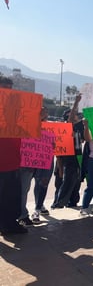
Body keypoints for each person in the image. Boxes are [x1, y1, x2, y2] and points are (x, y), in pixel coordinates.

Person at [0, 75, 27, 235]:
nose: (7, 93)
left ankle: (9, 225)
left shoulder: (18, 115)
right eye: (4, 89)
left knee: (12, 198)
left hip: (14, 164)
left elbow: (29, 135)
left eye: (10, 90)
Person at [51, 94, 84, 209]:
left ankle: (73, 202)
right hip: (67, 160)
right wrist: (76, 102)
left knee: (76, 183)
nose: (75, 116)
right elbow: (59, 155)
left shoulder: (79, 128)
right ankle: (58, 203)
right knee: (65, 183)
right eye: (72, 114)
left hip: (77, 158)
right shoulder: (65, 128)